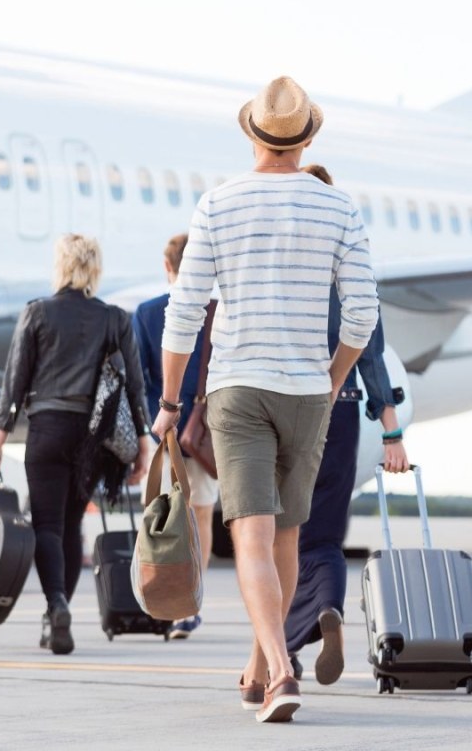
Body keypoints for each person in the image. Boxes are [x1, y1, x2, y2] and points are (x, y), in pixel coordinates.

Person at [154, 76, 378, 723]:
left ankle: (281, 672)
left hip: (239, 388)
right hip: (308, 392)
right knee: (286, 535)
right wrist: (333, 379)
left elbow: (184, 312)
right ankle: (259, 666)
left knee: (249, 535)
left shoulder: (217, 205)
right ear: (308, 138)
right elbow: (362, 315)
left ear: (251, 134)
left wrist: (170, 401)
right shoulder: (340, 209)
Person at [0, 234, 151, 656]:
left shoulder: (36, 313)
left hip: (46, 428)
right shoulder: (114, 318)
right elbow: (135, 385)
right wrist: (143, 446)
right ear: (94, 269)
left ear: (60, 266)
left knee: (46, 524)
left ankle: (55, 605)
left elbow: (14, 384)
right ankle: (59, 610)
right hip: (90, 437)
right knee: (72, 523)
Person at [282, 164, 409, 687]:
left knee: (277, 537)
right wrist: (392, 429)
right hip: (340, 408)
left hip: (283, 406)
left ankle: (282, 648)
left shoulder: (281, 263)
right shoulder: (351, 263)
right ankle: (326, 608)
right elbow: (372, 351)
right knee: (325, 539)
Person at [133, 232, 218, 641]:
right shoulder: (220, 313)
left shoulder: (148, 314)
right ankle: (190, 602)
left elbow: (138, 379)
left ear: (167, 268)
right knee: (199, 516)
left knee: (158, 516)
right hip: (204, 436)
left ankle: (159, 595)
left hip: (161, 428)